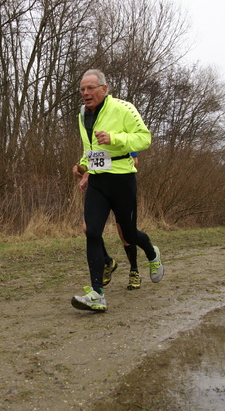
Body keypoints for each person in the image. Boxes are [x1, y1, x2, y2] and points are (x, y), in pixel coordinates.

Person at [70, 69, 163, 312]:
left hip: (122, 179)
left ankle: (152, 252)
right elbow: (90, 148)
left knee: (130, 235)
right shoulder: (82, 115)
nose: (86, 93)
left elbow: (144, 138)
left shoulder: (123, 108)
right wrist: (83, 165)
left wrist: (114, 138)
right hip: (98, 182)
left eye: (91, 88)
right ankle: (97, 294)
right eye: (82, 89)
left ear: (104, 88)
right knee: (91, 231)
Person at [76, 153, 149, 290]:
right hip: (99, 186)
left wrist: (113, 167)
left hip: (120, 186)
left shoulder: (118, 136)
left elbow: (134, 161)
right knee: (88, 228)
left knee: (125, 234)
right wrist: (85, 173)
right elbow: (91, 160)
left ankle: (134, 270)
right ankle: (107, 262)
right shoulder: (92, 138)